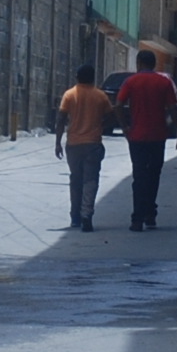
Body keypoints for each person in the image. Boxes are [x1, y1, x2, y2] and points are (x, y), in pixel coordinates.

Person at [114, 48, 177, 232]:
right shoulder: (163, 82)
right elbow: (173, 109)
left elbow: (119, 104)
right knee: (153, 175)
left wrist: (125, 127)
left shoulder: (130, 82)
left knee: (139, 176)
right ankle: (150, 213)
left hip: (136, 137)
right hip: (157, 136)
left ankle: (137, 218)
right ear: (154, 64)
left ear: (138, 63)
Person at [54, 61, 110, 231]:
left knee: (75, 180)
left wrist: (57, 142)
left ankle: (75, 217)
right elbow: (111, 116)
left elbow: (61, 119)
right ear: (93, 78)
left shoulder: (69, 95)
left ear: (77, 77)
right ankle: (87, 214)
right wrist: (100, 125)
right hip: (93, 144)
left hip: (73, 144)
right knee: (90, 181)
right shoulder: (100, 96)